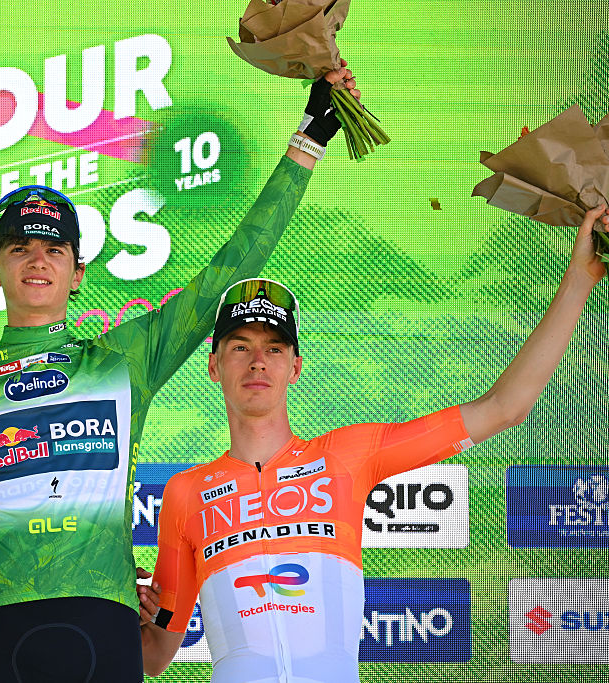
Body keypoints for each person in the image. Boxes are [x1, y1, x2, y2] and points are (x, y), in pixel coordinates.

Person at [0, 65, 360, 681]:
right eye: (19, 248)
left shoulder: (123, 359)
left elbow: (232, 269)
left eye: (54, 249)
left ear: (78, 272)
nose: (38, 260)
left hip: (105, 623)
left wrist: (309, 141)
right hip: (0, 628)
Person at [139, 205, 609, 682]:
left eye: (274, 348)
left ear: (294, 368)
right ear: (214, 366)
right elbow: (153, 656)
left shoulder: (346, 455)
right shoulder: (186, 493)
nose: (257, 360)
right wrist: (114, 604)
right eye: (240, 346)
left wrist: (580, 278)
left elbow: (504, 407)